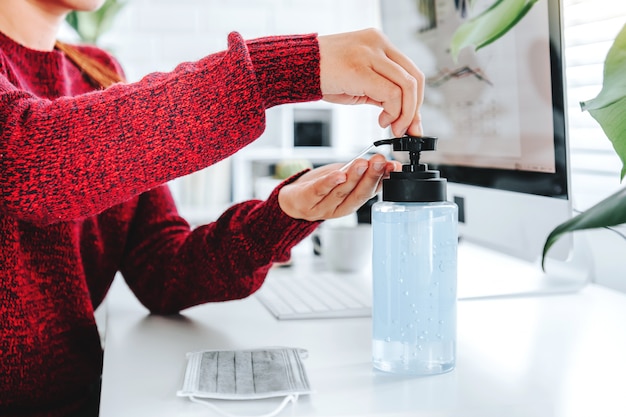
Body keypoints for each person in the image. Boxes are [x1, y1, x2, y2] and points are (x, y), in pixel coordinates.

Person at [0, 1, 424, 416]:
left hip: (87, 399)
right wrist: (278, 70)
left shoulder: (97, 72)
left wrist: (283, 214)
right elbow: (31, 158)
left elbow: (163, 270)